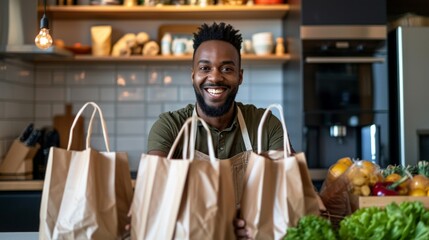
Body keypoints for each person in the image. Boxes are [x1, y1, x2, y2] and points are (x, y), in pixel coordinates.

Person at [147, 22, 288, 239]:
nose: (214, 78)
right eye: (205, 68)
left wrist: (261, 218)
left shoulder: (265, 124)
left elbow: (289, 186)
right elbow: (152, 196)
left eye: (226, 69)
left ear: (240, 76)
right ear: (193, 75)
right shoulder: (170, 126)